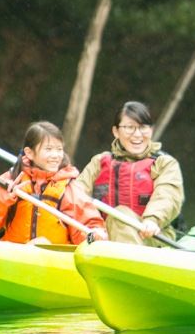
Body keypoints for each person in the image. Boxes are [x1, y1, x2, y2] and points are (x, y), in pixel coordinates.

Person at [0, 121, 108, 245]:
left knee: (40, 243)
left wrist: (94, 235)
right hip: (13, 256)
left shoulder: (68, 187)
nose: (55, 155)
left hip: (52, 260)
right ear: (29, 153)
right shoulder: (13, 178)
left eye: (59, 149)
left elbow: (88, 224)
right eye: (48, 149)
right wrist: (2, 195)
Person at [77, 101, 184, 246]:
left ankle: (131, 264)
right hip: (102, 236)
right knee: (115, 218)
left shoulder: (164, 163)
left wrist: (152, 219)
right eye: (129, 127)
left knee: (119, 215)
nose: (137, 134)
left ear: (151, 130)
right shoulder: (99, 162)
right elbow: (76, 196)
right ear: (115, 131)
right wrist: (92, 227)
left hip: (150, 236)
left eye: (143, 127)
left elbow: (168, 196)